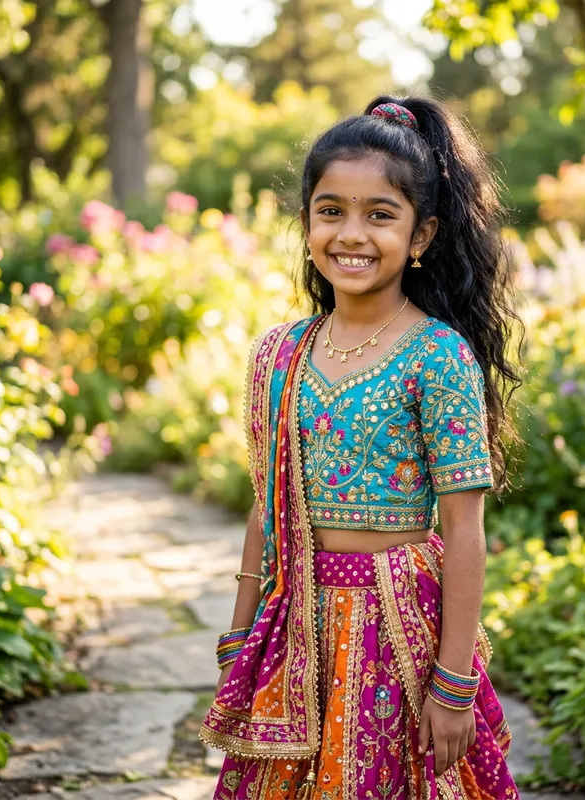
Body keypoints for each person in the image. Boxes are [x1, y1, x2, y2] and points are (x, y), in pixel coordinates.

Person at [199, 95, 524, 799]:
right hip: (296, 623)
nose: (352, 233)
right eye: (331, 210)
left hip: (398, 628)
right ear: (308, 222)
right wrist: (239, 634)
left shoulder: (438, 357)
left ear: (421, 235)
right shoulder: (280, 353)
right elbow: (269, 502)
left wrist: (455, 679)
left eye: (380, 214)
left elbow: (465, 529)